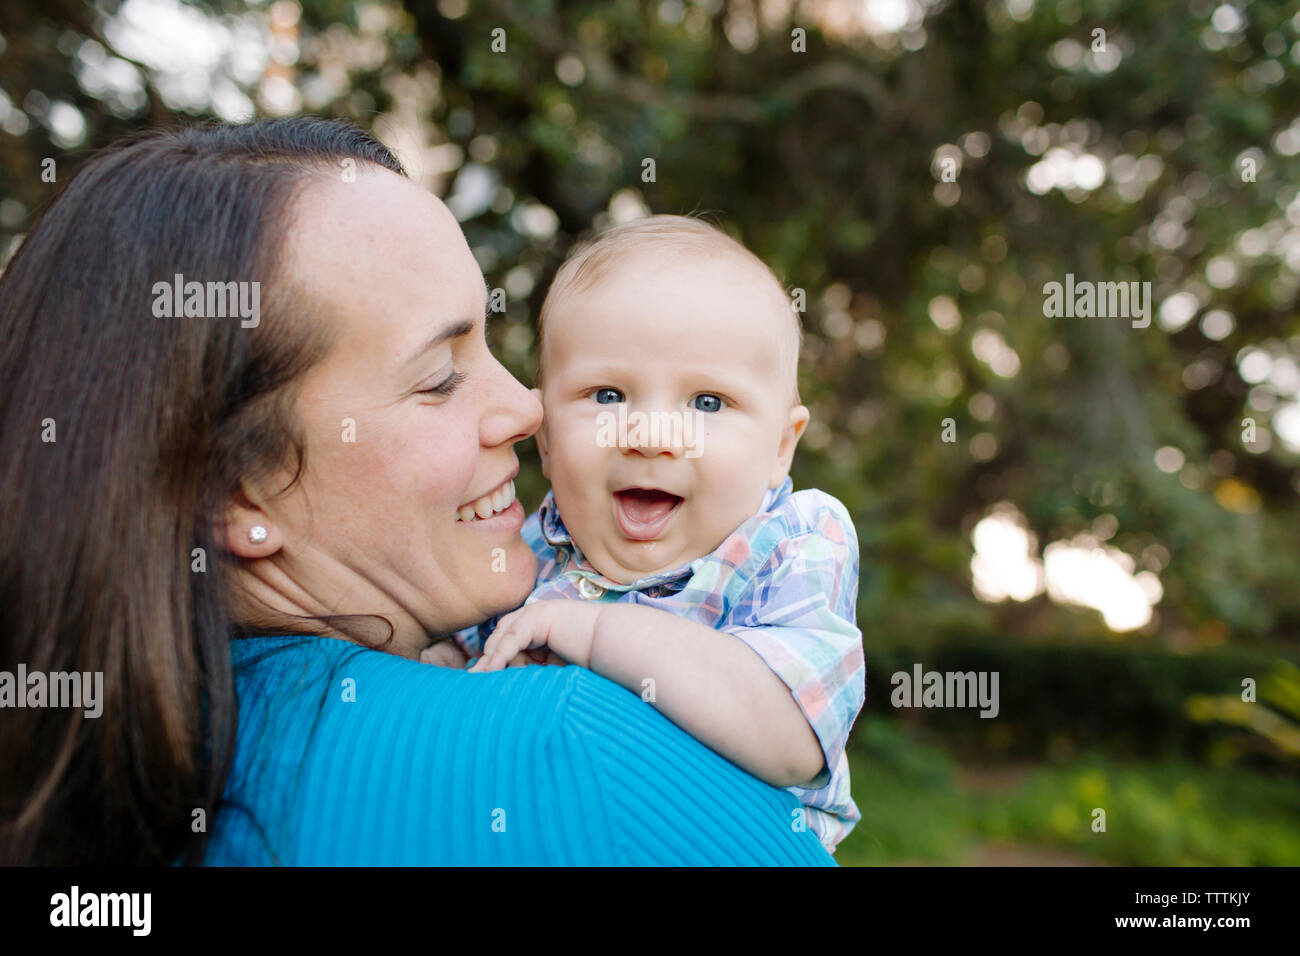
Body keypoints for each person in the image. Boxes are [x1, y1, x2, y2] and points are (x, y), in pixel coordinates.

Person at [0, 117, 835, 865]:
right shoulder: (573, 751)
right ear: (238, 494)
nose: (525, 407)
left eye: (492, 347)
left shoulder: (97, 761)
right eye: (439, 379)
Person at [456, 216, 865, 853]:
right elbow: (464, 670)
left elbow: (793, 734)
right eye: (608, 394)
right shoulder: (531, 549)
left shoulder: (791, 543)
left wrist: (595, 632)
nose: (650, 435)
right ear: (545, 435)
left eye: (706, 403)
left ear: (781, 446)